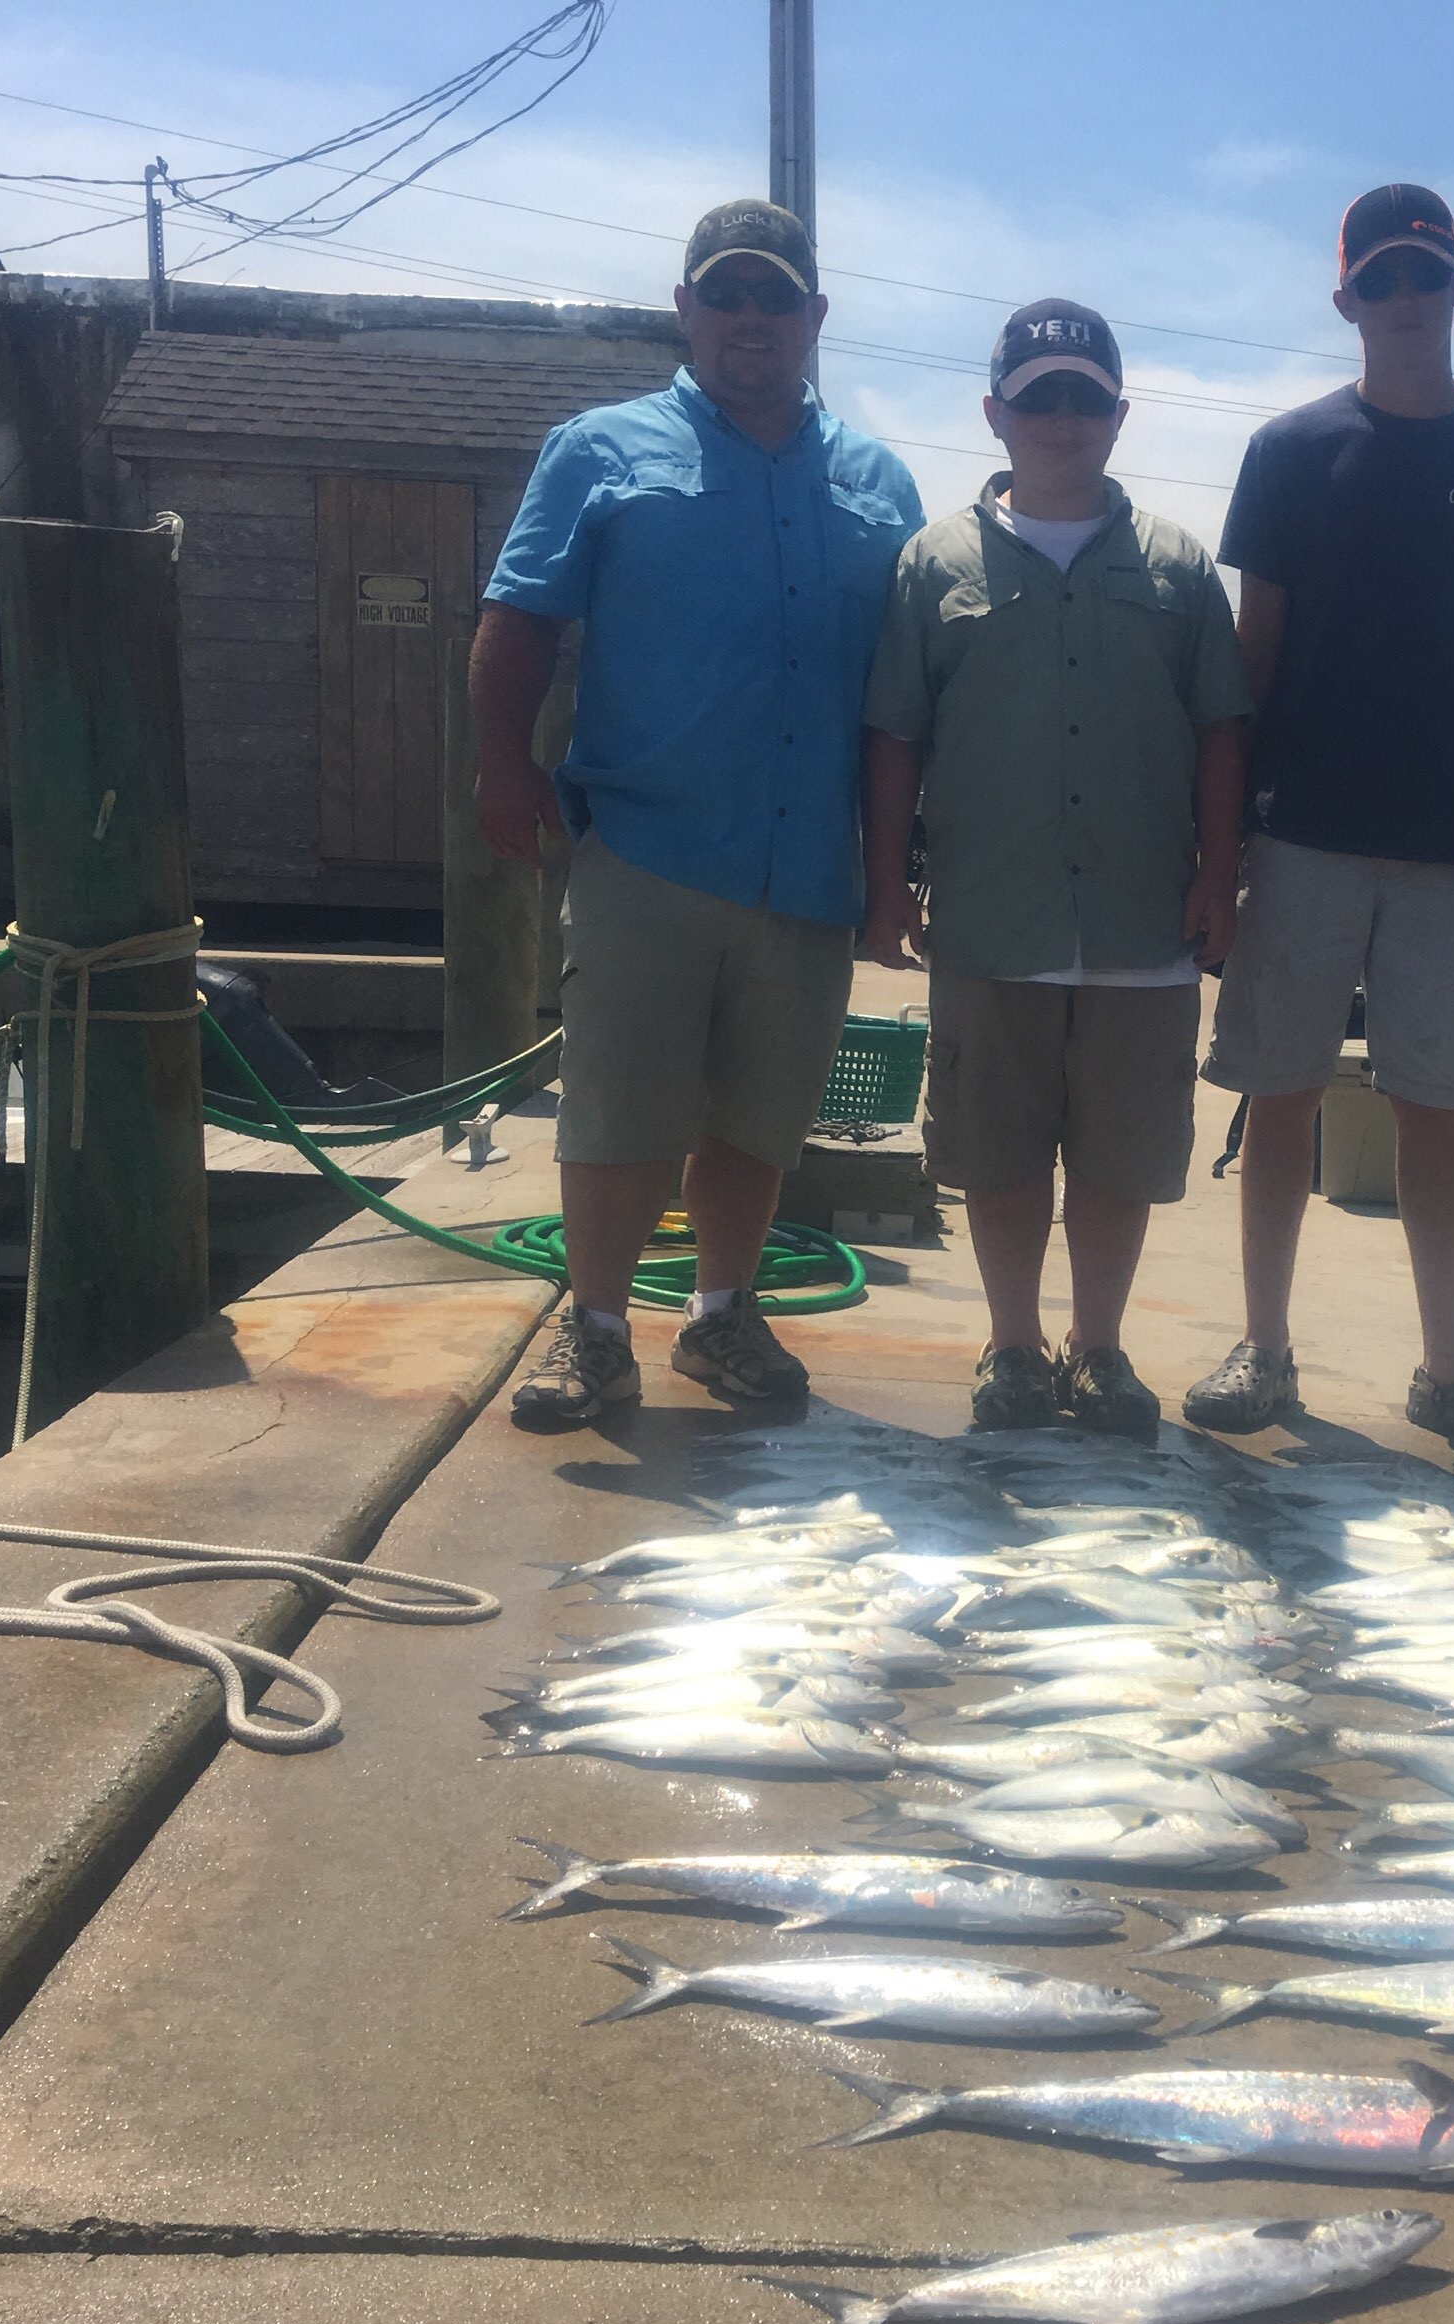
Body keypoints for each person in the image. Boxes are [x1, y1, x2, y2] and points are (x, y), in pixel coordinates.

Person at [472, 199, 921, 1424]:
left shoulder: (882, 481)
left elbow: (908, 694)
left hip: (808, 864)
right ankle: (599, 1330)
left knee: (759, 1115)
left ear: (816, 318)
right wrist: (501, 765)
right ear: (684, 310)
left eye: (775, 297)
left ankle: (723, 1323)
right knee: (621, 1106)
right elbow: (519, 620)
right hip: (651, 845)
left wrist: (898, 866)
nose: (750, 319)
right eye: (724, 293)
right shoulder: (597, 449)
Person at [1185, 183, 1454, 1462]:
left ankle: (1449, 1371)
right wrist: (1217, 852)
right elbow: (1249, 665)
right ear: (1347, 299)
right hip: (1301, 834)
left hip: (1449, 850)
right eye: (1382, 281)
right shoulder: (1292, 454)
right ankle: (1264, 1346)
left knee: (1431, 1107)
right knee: (1282, 1093)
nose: (1405, 301)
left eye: (1427, 277)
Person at [860, 300, 1250, 1435]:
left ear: (1120, 416)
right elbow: (895, 736)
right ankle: (1014, 1348)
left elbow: (1224, 731)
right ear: (997, 414)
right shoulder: (930, 564)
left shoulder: (1181, 570)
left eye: (1086, 396)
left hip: (1142, 917)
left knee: (1121, 1159)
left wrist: (1216, 880)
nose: (1063, 417)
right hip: (992, 912)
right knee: (1000, 1149)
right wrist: (888, 887)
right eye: (1040, 396)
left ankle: (1102, 1349)